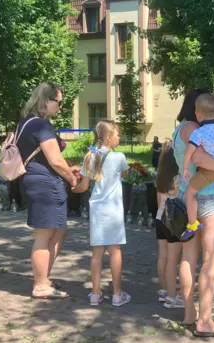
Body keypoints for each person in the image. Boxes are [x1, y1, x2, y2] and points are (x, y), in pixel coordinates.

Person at [173, 89, 214, 337]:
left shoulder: (180, 129)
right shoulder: (193, 130)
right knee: (211, 259)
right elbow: (203, 160)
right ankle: (205, 321)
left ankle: (190, 315)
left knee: (188, 257)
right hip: (207, 198)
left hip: (186, 197)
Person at [18, 82, 79, 300]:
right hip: (45, 185)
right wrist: (72, 178)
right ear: (46, 101)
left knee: (59, 231)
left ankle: (43, 277)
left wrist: (66, 168)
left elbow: (47, 158)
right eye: (58, 102)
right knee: (44, 234)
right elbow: (55, 160)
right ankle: (41, 285)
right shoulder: (42, 125)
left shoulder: (26, 123)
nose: (60, 107)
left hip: (35, 180)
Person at [73, 120, 131, 306]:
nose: (119, 137)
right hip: (114, 210)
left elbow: (84, 185)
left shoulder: (89, 156)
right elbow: (125, 175)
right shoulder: (119, 157)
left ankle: (96, 295)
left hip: (97, 209)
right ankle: (116, 294)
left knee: (97, 253)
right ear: (108, 137)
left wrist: (73, 189)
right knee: (115, 251)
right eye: (117, 134)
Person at [180, 93, 214, 241]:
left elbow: (190, 152)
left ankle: (192, 224)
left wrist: (185, 168)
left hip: (209, 172)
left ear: (198, 115)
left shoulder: (199, 132)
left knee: (190, 192)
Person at [153, 141, 183, 308]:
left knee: (163, 256)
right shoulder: (179, 179)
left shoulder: (160, 177)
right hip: (174, 220)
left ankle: (164, 290)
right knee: (173, 259)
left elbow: (159, 203)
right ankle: (172, 297)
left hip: (160, 218)